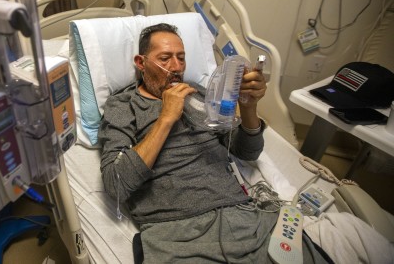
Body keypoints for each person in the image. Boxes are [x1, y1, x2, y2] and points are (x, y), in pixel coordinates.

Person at [98, 23, 329, 263]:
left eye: (181, 58)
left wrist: (249, 106)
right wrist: (165, 119)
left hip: (244, 221)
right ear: (141, 62)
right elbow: (116, 184)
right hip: (176, 235)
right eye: (165, 58)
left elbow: (247, 151)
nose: (176, 68)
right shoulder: (123, 106)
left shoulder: (198, 93)